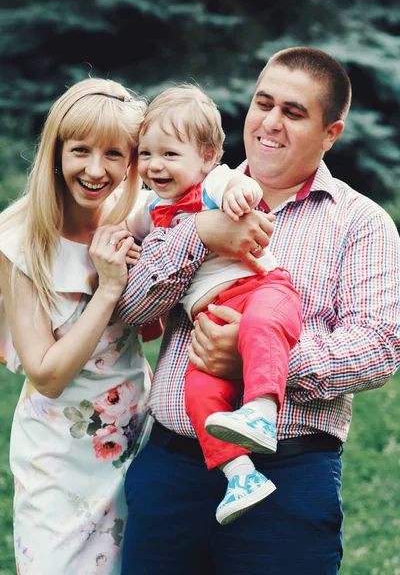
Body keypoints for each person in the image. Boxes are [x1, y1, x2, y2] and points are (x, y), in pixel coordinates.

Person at [117, 47, 400, 575]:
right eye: (262, 103)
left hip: (289, 480)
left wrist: (255, 356)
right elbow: (132, 311)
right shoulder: (179, 194)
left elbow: (380, 348)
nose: (270, 123)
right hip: (172, 467)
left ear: (330, 133)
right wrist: (199, 235)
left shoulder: (361, 222)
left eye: (293, 112)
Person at [0, 79, 273, 575]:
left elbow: (201, 202)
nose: (95, 169)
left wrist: (214, 221)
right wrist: (107, 288)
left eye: (115, 154)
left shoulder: (133, 214)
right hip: (60, 454)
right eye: (80, 150)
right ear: (55, 152)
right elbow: (45, 374)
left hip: (136, 436)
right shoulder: (19, 239)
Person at [126, 84, 302, 526]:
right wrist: (119, 242)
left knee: (260, 327)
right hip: (213, 314)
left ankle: (262, 410)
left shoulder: (216, 183)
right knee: (198, 392)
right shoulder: (151, 209)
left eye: (170, 154)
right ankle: (241, 474)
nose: (154, 165)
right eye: (146, 154)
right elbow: (118, 225)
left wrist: (236, 195)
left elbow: (238, 186)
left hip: (262, 291)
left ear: (206, 156)